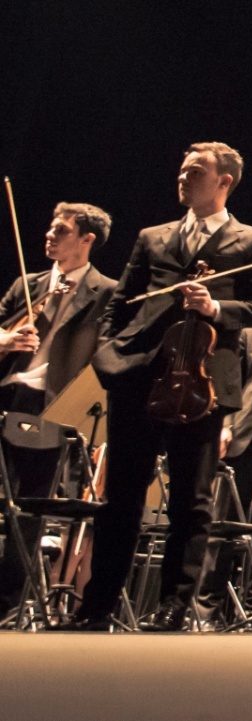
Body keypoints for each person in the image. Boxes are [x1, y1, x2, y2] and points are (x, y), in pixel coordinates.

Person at [75, 143, 252, 632]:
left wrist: (217, 309)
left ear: (224, 181)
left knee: (190, 501)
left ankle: (173, 606)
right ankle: (97, 606)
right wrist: (109, 354)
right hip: (138, 376)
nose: (183, 177)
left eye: (195, 172)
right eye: (183, 170)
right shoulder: (153, 237)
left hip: (202, 380)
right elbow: (122, 302)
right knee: (121, 498)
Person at [0, 202, 116, 611]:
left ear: (87, 240)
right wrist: (6, 340)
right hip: (8, 392)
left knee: (31, 506)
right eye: (51, 228)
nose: (50, 235)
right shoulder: (27, 283)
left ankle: (8, 600)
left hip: (53, 405)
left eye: (61, 230)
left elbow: (107, 354)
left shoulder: (107, 292)